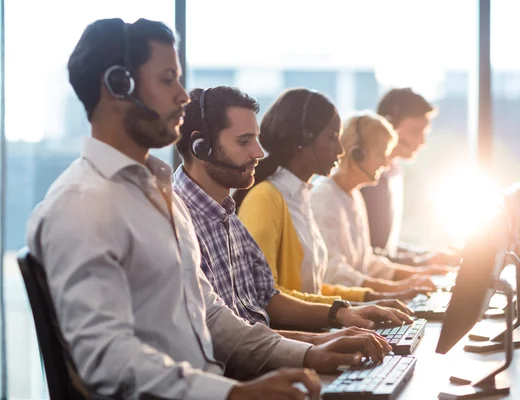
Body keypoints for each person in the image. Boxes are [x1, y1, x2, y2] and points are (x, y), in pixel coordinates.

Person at [27, 18, 392, 400]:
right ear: (119, 85)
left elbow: (213, 318)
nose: (183, 96)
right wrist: (233, 394)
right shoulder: (83, 203)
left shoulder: (158, 195)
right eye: (168, 79)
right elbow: (107, 359)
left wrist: (310, 353)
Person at [173, 86, 414, 342]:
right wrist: (323, 336)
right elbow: (238, 328)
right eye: (244, 141)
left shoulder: (230, 215)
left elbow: (268, 297)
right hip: (259, 359)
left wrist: (345, 312)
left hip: (275, 347)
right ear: (200, 148)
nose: (258, 152)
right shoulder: (254, 201)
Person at [234, 88, 429, 304]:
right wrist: (343, 313)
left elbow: (314, 289)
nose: (340, 149)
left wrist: (374, 299)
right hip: (296, 335)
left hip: (310, 332)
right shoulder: (267, 199)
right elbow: (267, 298)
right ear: (304, 139)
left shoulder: (301, 196)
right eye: (332, 137)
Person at [310, 112, 450, 294]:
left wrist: (417, 274)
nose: (385, 163)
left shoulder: (353, 195)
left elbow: (366, 262)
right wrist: (398, 288)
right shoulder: (323, 197)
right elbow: (334, 274)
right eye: (381, 154)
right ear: (357, 154)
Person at [361, 88, 461, 266]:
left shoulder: (393, 173)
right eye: (416, 131)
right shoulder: (366, 180)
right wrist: (424, 261)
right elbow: (366, 252)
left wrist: (430, 254)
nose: (422, 142)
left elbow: (387, 248)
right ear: (389, 126)